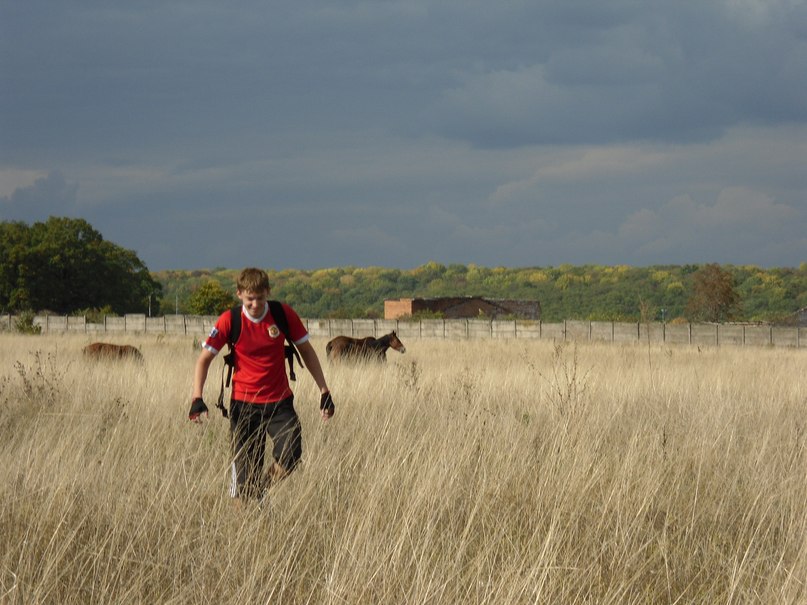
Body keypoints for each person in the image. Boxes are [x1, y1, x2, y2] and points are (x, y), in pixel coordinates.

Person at [188, 267, 334, 500]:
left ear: (267, 292)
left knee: (291, 454)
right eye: (249, 300)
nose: (255, 304)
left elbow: (306, 350)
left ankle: (261, 490)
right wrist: (197, 397)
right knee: (245, 477)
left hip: (279, 402)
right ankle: (245, 510)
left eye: (259, 298)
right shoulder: (230, 320)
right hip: (244, 405)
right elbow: (204, 359)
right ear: (239, 295)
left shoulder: (282, 314)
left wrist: (324, 390)